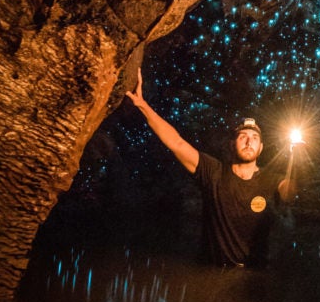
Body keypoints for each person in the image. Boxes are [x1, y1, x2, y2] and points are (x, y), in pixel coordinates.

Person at [125, 68, 296, 268]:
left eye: (255, 138)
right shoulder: (212, 172)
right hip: (212, 272)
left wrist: (296, 159)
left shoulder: (271, 180)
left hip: (252, 278)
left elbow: (289, 193)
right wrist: (143, 105)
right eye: (243, 137)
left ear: (261, 148)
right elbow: (177, 143)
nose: (249, 141)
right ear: (233, 144)